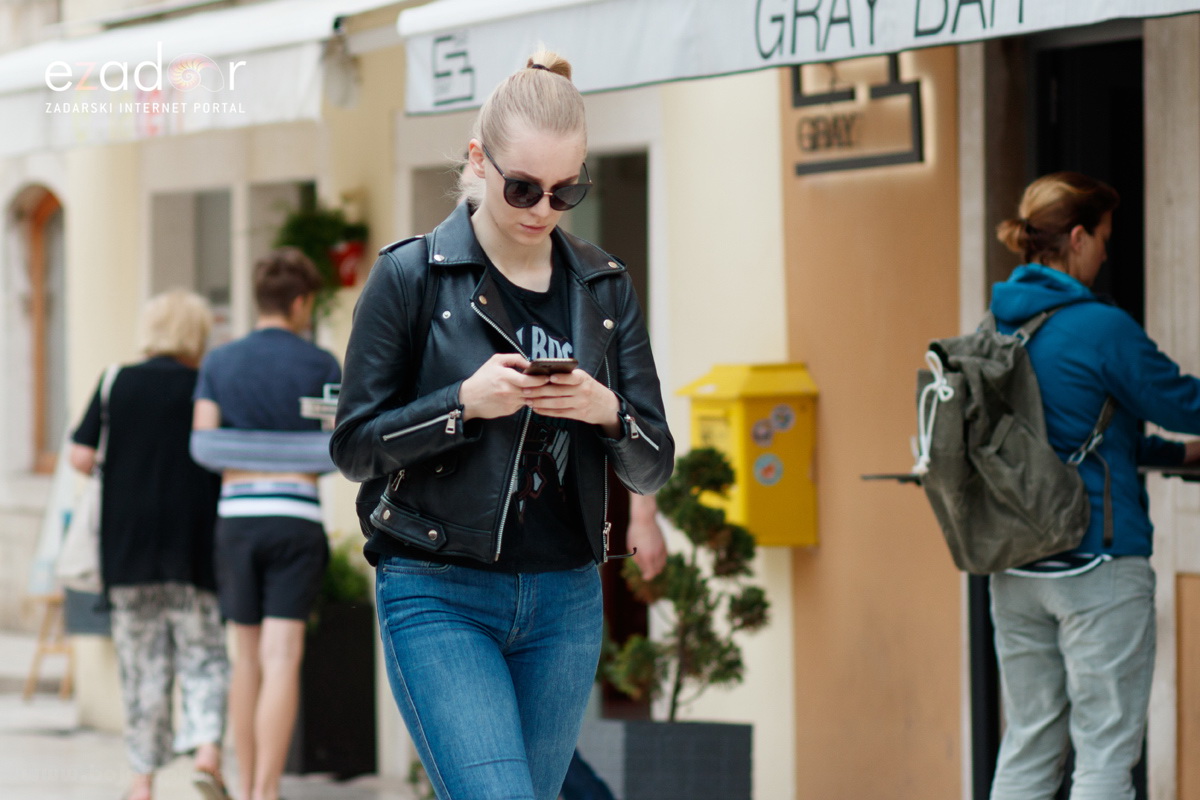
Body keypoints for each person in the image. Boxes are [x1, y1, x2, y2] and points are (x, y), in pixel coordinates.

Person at [331, 49, 675, 800]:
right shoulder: (410, 277)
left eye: (565, 191)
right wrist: (462, 405)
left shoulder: (603, 285)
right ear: (477, 160)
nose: (541, 209)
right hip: (437, 587)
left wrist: (606, 411)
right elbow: (354, 446)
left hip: (565, 599)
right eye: (522, 186)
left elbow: (654, 461)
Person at [988, 172, 1200, 800]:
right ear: (1077, 238)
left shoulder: (996, 326)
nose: (1108, 252)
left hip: (1017, 570)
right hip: (1098, 564)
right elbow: (1183, 401)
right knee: (1105, 754)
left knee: (1026, 747)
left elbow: (1063, 435)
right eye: (1104, 237)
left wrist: (1170, 452)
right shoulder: (1098, 327)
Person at [191, 248, 341, 800]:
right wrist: (290, 453)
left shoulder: (218, 362)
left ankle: (246, 783)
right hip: (296, 518)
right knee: (283, 657)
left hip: (236, 520)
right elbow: (334, 451)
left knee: (245, 656)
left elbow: (203, 444)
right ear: (301, 302)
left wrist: (250, 451)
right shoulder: (322, 364)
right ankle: (265, 790)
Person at [69, 290, 229, 800]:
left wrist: (118, 472)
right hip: (192, 544)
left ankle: (142, 782)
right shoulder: (205, 386)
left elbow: (78, 454)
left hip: (127, 546)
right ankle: (206, 749)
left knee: (142, 669)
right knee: (203, 654)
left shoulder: (117, 381)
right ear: (196, 334)